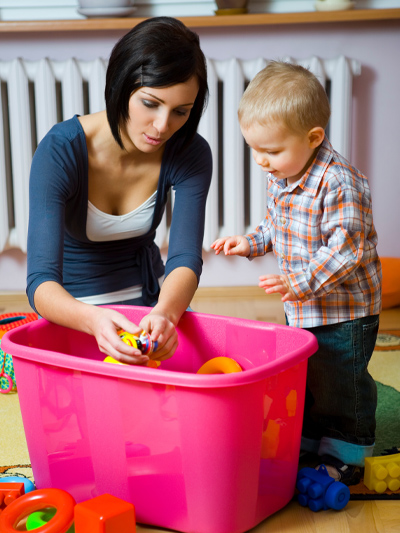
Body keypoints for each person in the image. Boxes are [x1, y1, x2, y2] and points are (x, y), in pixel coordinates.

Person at [211, 61, 382, 486]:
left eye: (271, 151)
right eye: (255, 150)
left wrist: (298, 281)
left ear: (313, 138)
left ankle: (348, 451)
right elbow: (279, 226)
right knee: (308, 371)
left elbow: (347, 250)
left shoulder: (339, 183)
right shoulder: (285, 173)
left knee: (341, 378)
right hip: (303, 305)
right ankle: (308, 438)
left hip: (346, 310)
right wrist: (251, 243)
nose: (262, 162)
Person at [27, 17, 212, 366]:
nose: (163, 126)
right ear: (121, 85)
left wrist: (167, 315)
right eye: (150, 103)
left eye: (180, 112)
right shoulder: (60, 151)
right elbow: (40, 283)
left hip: (152, 304)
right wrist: (94, 321)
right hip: (77, 314)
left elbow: (186, 257)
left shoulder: (190, 150)